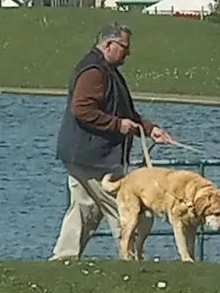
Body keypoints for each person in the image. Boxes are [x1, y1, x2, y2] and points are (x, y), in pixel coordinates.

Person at [50, 22, 174, 261]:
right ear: (109, 44)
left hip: (83, 155)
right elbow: (81, 109)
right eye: (124, 47)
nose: (128, 53)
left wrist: (150, 130)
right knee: (127, 209)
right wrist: (117, 125)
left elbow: (123, 111)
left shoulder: (106, 71)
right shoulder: (94, 72)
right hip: (93, 157)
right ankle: (131, 259)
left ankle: (64, 259)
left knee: (84, 209)